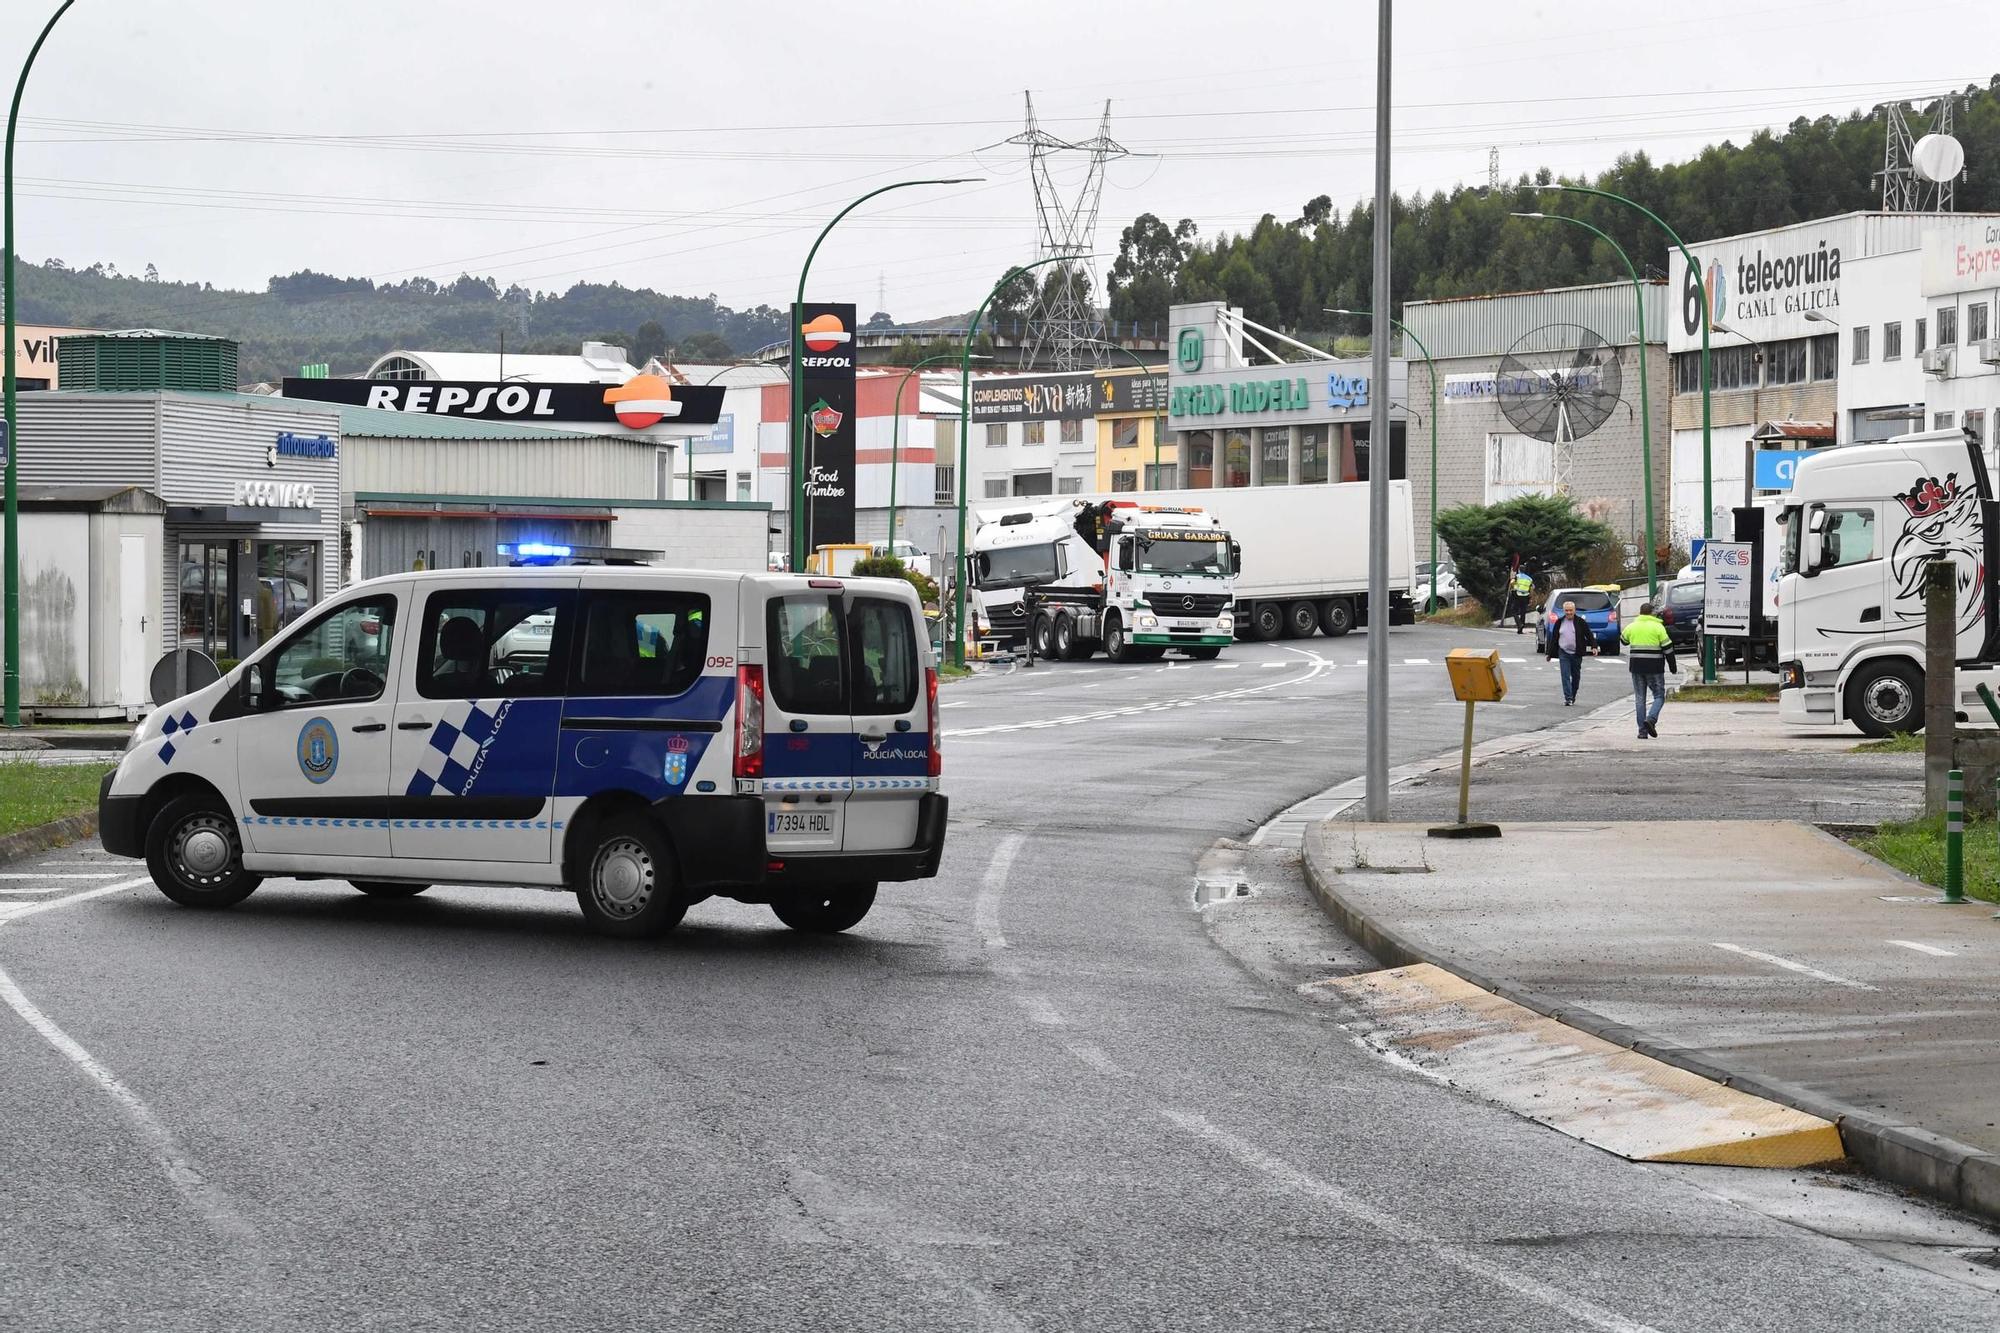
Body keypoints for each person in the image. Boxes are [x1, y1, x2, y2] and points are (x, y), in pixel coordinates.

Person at [1621, 600, 1677, 739]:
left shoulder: (1632, 626)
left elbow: (1623, 640)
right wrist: (1673, 666)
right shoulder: (1658, 627)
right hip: (1655, 667)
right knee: (1659, 696)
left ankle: (1642, 731)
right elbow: (1668, 648)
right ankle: (1651, 719)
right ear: (1653, 613)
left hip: (1636, 667)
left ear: (1640, 613)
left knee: (1640, 699)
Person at [1546, 599, 1596, 706]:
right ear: (1564, 611)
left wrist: (1594, 646)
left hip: (1576, 653)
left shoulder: (1580, 622)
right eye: (1566, 610)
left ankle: (1572, 695)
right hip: (1563, 652)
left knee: (1576, 676)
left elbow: (1589, 634)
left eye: (1570, 610)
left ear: (1575, 610)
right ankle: (1568, 698)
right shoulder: (1559, 622)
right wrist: (1550, 654)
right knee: (1565, 675)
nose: (1568, 612)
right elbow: (1554, 638)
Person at [1508, 566, 1534, 633]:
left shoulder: (1517, 576)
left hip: (1517, 595)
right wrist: (1531, 598)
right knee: (1523, 612)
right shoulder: (1529, 579)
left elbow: (1511, 583)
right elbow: (1532, 588)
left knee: (1513, 610)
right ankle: (1521, 629)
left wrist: (1512, 584)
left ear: (1519, 570)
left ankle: (1519, 624)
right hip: (1525, 596)